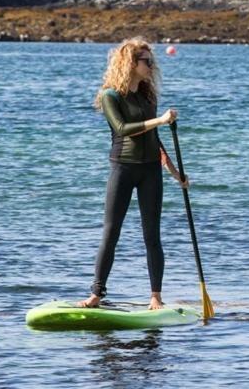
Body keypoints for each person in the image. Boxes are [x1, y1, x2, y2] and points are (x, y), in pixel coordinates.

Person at [78, 38, 188, 310]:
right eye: (146, 61)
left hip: (151, 170)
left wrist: (175, 173)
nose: (151, 66)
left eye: (152, 61)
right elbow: (123, 129)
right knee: (111, 232)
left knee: (152, 235)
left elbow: (155, 138)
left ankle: (156, 298)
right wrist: (160, 119)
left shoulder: (147, 95)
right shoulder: (110, 96)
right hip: (123, 168)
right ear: (130, 63)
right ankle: (96, 295)